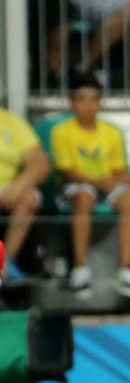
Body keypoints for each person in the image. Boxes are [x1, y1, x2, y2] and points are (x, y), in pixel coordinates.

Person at [52, 74, 130, 299]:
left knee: (129, 199)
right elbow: (67, 172)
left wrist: (123, 178)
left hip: (105, 185)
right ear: (71, 102)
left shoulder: (111, 132)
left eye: (94, 99)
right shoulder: (61, 131)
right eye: (82, 99)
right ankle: (80, 268)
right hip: (74, 188)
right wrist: (102, 181)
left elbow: (119, 169)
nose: (88, 105)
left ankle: (125, 268)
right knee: (84, 196)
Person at [0, 108, 51, 280]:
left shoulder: (11, 122)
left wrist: (18, 185)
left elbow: (40, 163)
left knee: (29, 197)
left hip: (5, 188)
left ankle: (4, 265)